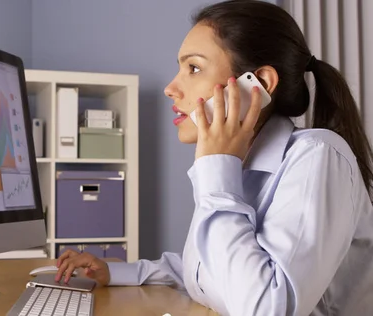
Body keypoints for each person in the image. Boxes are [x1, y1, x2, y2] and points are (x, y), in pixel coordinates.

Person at [54, 0, 373, 315]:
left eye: (193, 68)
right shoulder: (239, 166)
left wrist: (217, 168)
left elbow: (265, 308)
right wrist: (117, 272)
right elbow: (209, 271)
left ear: (259, 85)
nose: (171, 88)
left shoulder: (317, 156)